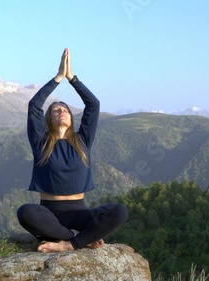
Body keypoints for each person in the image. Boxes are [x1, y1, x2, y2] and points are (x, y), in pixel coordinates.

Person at [17, 48, 128, 252]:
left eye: (65, 110)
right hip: (49, 214)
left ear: (71, 118)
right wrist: (58, 78)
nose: (61, 112)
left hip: (80, 213)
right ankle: (76, 238)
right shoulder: (41, 144)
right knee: (25, 212)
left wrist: (72, 78)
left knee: (120, 211)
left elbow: (93, 105)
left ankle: (70, 244)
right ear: (49, 119)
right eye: (56, 110)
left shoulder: (83, 141)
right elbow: (34, 106)